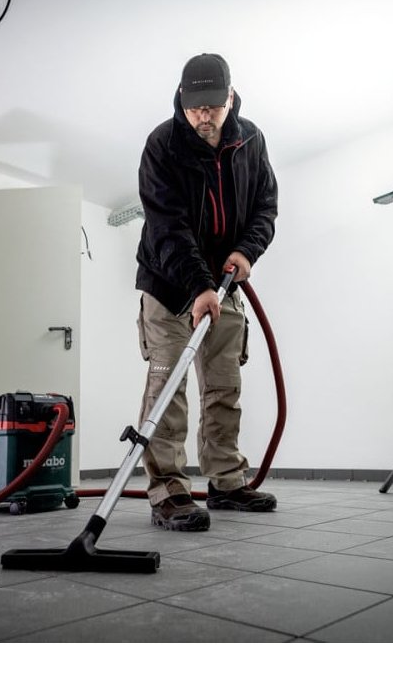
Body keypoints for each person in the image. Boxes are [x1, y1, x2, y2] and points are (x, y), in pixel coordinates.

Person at [134, 53, 279, 531]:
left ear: (230, 98)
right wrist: (198, 285)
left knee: (223, 386)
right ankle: (169, 491)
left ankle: (226, 481)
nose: (203, 115)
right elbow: (167, 227)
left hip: (224, 283)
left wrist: (246, 251)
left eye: (213, 106)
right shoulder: (163, 144)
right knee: (168, 387)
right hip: (169, 284)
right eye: (195, 106)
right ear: (182, 99)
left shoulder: (250, 140)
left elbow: (265, 206)